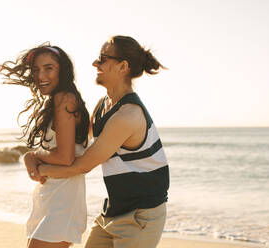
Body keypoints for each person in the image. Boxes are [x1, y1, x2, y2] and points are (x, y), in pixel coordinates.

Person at [36, 35, 170, 248]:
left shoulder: (128, 115)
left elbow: (82, 165)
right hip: (114, 211)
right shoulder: (103, 106)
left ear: (122, 66)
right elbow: (79, 144)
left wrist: (39, 169)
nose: (95, 63)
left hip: (141, 216)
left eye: (102, 58)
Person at [0, 44, 90, 248]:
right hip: (51, 195)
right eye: (36, 70)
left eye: (48, 68)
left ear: (63, 69)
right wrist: (30, 157)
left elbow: (65, 157)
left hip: (63, 201)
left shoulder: (65, 100)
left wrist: (34, 158)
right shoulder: (56, 101)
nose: (40, 75)